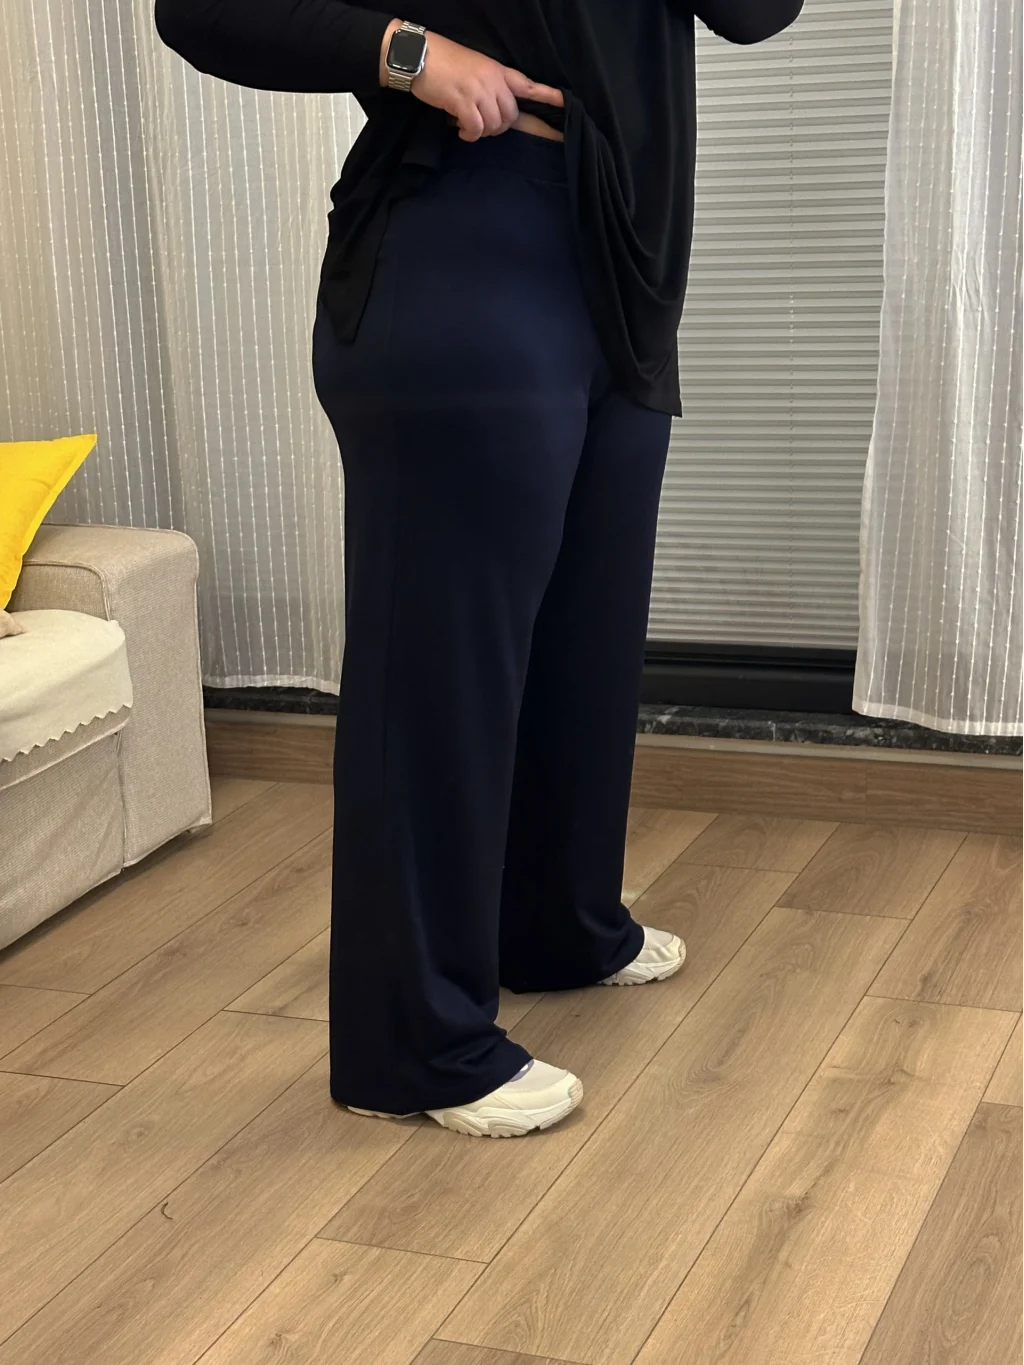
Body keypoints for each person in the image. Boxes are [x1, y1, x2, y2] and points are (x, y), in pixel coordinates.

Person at [155, 0, 804, 1138]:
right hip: (464, 236)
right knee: (439, 671)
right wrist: (409, 55)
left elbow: (758, 14)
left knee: (585, 640)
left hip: (619, 264)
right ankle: (412, 1045)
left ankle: (557, 926)